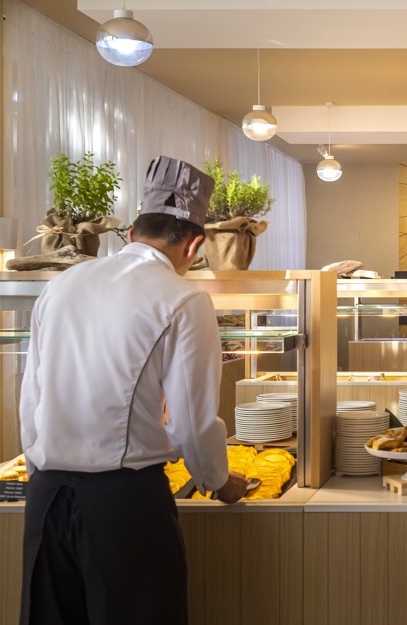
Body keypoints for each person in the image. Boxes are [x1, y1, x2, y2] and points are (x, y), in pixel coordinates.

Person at [18, 156, 248, 625]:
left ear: (130, 234)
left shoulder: (63, 284)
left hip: (45, 498)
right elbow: (191, 421)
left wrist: (41, 466)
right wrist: (218, 482)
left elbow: (32, 398)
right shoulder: (184, 298)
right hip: (123, 505)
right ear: (195, 245)